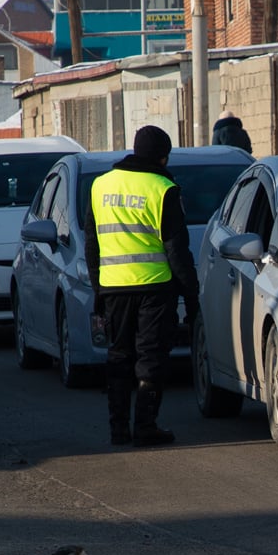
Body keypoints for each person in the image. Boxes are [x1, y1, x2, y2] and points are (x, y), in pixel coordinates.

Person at [82, 125, 200, 446]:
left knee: (119, 356)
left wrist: (99, 289)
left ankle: (118, 429)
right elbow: (177, 252)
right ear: (162, 157)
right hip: (154, 288)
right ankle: (145, 426)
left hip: (113, 288)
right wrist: (192, 298)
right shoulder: (163, 189)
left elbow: (91, 245)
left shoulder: (100, 186)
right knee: (150, 358)